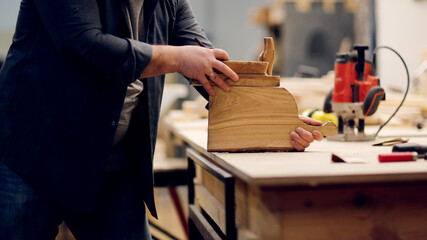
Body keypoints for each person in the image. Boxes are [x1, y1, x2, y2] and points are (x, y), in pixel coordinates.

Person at [0, 0, 323, 239]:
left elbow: (210, 69)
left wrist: (279, 121)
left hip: (110, 165)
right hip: (33, 155)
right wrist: (179, 58)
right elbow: (87, 48)